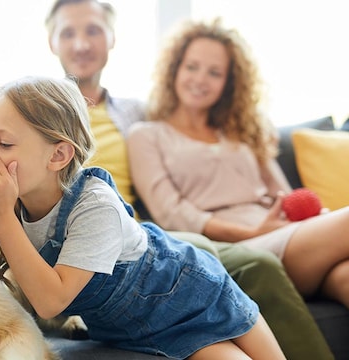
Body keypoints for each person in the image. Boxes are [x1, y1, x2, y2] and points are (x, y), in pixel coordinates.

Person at [45, 0, 334, 358]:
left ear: (112, 39)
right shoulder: (39, 113)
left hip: (142, 234)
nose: (82, 44)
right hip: (111, 236)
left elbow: (186, 124)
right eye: (68, 33)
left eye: (93, 31)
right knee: (248, 262)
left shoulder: (135, 113)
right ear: (51, 41)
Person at [0, 75, 285, 359]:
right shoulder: (2, 199)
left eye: (4, 143)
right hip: (126, 328)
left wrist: (2, 216)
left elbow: (51, 301)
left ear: (58, 155)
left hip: (193, 296)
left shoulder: (95, 205)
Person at [128, 18, 349, 310]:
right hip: (240, 249)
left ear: (229, 82)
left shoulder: (242, 133)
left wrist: (314, 219)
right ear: (174, 69)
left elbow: (284, 196)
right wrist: (253, 234)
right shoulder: (146, 135)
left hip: (285, 237)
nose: (200, 79)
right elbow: (173, 215)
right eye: (192, 66)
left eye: (214, 72)